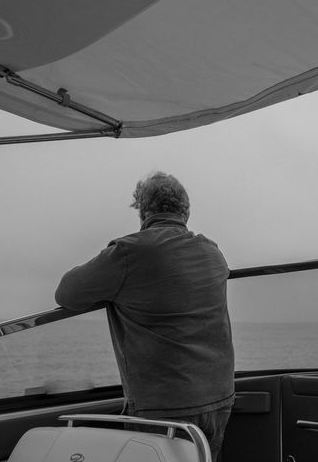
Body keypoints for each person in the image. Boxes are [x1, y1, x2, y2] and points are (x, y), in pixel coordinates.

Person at [55, 171, 234, 461]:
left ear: (143, 210)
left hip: (164, 408)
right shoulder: (213, 252)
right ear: (185, 212)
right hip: (218, 400)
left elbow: (66, 293)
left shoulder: (130, 252)